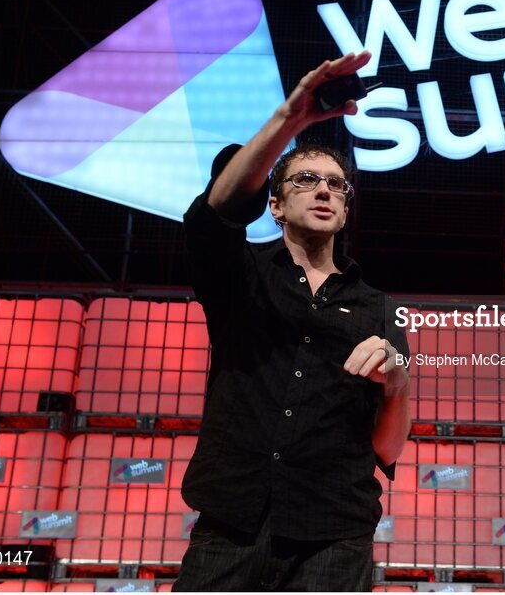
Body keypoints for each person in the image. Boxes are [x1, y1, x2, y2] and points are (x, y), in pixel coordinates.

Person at [172, 51, 411, 592]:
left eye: (337, 185)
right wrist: (294, 118)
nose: (326, 190)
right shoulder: (240, 274)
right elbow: (216, 214)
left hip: (335, 537)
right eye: (306, 180)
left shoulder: (377, 307)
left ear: (346, 211)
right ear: (275, 206)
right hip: (231, 526)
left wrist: (399, 384)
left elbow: (388, 450)